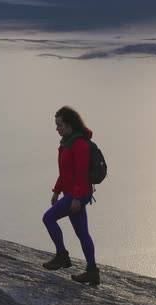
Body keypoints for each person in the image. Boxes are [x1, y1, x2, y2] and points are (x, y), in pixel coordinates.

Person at [42, 106, 100, 286]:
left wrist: (76, 197)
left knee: (48, 218)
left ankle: (62, 256)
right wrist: (56, 191)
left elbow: (82, 173)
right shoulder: (67, 143)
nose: (57, 128)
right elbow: (65, 173)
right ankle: (92, 272)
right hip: (72, 193)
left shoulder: (79, 144)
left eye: (59, 125)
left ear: (69, 125)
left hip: (78, 194)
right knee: (82, 233)